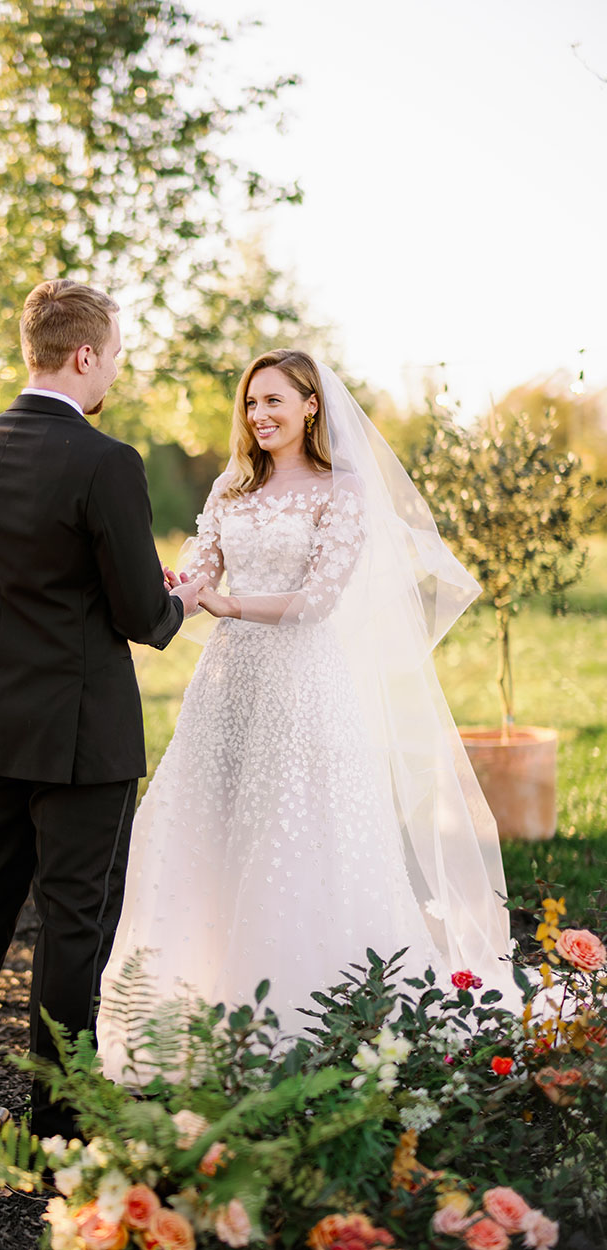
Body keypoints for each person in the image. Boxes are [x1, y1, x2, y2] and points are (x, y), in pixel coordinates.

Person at [97, 349, 517, 1081]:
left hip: (303, 684)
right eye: (251, 404)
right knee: (212, 826)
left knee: (295, 831)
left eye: (274, 402)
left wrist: (225, 603)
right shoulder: (232, 485)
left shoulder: (340, 490)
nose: (259, 416)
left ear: (311, 406)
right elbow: (203, 569)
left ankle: (310, 1020)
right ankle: (205, 1010)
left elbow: (319, 601)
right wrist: (184, 583)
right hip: (226, 686)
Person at [0, 279, 203, 1135]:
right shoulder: (106, 462)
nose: (113, 368)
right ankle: (58, 1116)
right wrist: (180, 598)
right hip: (83, 734)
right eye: (113, 354)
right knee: (74, 920)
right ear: (85, 355)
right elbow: (138, 615)